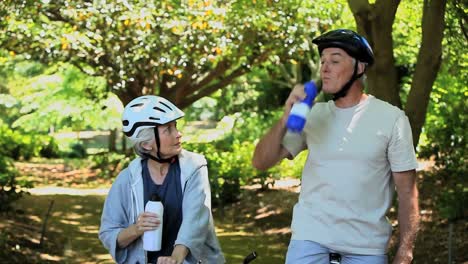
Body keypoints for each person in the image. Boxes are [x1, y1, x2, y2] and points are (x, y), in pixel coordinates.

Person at [252, 29, 420, 264]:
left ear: (359, 67)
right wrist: (284, 119)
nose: (324, 68)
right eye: (322, 61)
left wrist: (405, 251)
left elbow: (407, 193)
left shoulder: (391, 119)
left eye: (334, 60)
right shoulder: (313, 114)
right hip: (309, 241)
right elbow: (261, 162)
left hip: (366, 248)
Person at [99, 95, 225, 264]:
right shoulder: (127, 179)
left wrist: (175, 257)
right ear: (146, 144)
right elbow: (109, 233)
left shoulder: (194, 167)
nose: (178, 134)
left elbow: (194, 221)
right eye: (168, 129)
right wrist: (137, 229)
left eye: (176, 127)